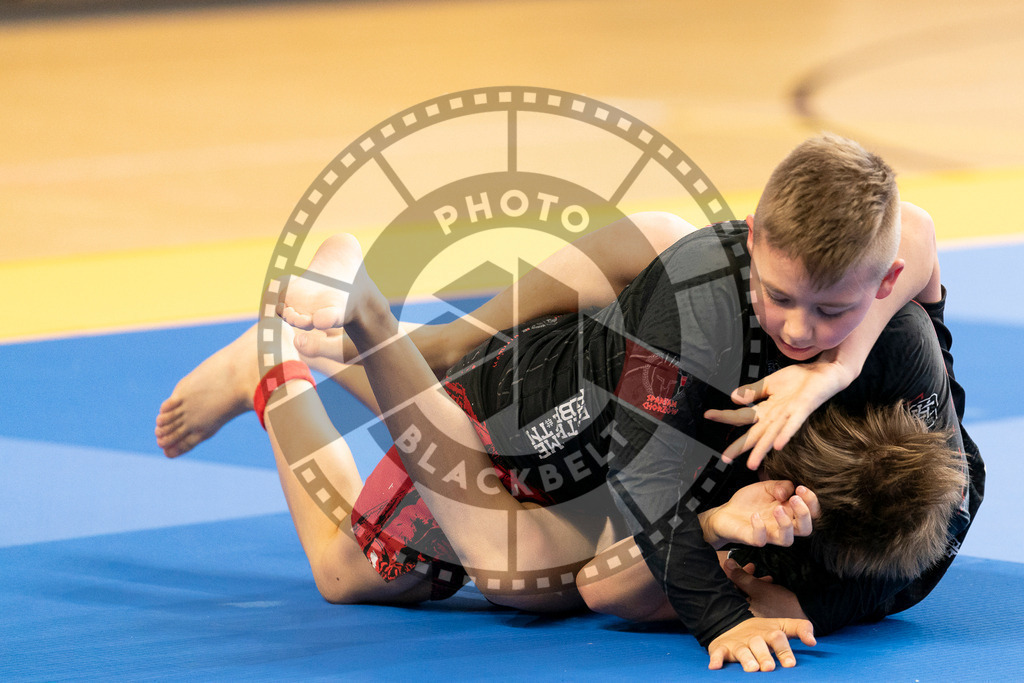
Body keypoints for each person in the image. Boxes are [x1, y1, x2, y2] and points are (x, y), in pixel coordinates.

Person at [156, 134, 982, 671]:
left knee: (666, 246)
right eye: (795, 305)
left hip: (644, 384)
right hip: (556, 407)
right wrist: (720, 606)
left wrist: (721, 531)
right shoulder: (876, 347)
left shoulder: (858, 568)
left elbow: (612, 578)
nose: (807, 335)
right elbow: (913, 236)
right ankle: (282, 360)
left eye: (830, 318)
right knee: (372, 570)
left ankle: (375, 344)